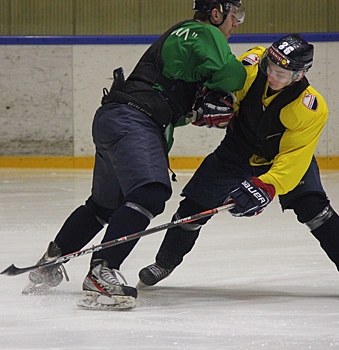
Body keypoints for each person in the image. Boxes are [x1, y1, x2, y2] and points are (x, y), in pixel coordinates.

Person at [21, 0, 247, 310]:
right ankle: (102, 271)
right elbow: (231, 74)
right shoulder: (200, 31)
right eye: (236, 16)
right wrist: (236, 81)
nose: (236, 24)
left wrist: (195, 109)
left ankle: (49, 263)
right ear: (217, 13)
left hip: (115, 118)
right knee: (151, 191)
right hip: (133, 120)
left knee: (103, 205)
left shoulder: (187, 43)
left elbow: (169, 100)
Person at [138, 34, 339, 300]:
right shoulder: (253, 66)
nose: (272, 76)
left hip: (280, 160)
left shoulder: (310, 108)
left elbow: (294, 157)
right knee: (193, 206)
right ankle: (164, 263)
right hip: (236, 151)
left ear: (299, 75)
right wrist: (213, 104)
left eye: (281, 73)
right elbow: (228, 91)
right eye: (270, 67)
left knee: (315, 210)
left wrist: (268, 185)